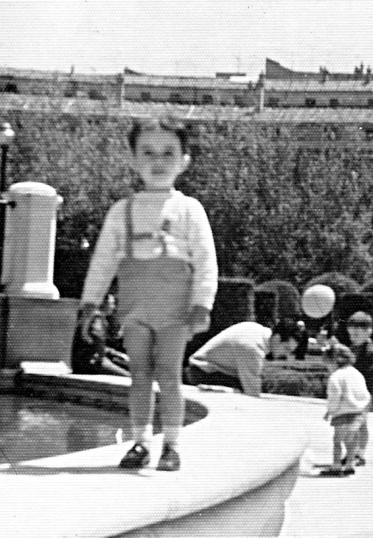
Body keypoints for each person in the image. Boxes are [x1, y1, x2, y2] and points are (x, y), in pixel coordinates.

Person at [78, 116, 218, 472]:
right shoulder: (121, 211)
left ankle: (171, 443)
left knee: (169, 375)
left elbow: (205, 261)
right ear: (133, 159)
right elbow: (103, 261)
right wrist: (90, 303)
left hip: (175, 310)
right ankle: (141, 442)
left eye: (168, 152)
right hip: (135, 309)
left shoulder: (189, 209)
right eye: (148, 152)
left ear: (184, 160)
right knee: (139, 375)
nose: (158, 161)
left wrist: (202, 304)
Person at [184, 319, 305, 397]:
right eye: (287, 349)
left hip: (201, 369)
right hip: (201, 373)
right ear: (278, 338)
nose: (286, 355)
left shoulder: (256, 328)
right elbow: (253, 395)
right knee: (244, 394)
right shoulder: (254, 349)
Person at [321, 344, 371, 477]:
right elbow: (365, 394)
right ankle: (349, 465)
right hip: (357, 413)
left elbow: (334, 396)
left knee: (337, 441)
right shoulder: (357, 373)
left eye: (328, 364)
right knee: (351, 440)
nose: (327, 368)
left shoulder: (336, 376)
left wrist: (330, 410)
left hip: (341, 414)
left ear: (335, 361)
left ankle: (336, 466)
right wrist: (361, 408)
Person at [345, 311, 373, 466]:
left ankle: (360, 454)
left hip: (363, 395)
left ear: (369, 332)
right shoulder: (352, 348)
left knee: (360, 423)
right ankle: (353, 453)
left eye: (357, 334)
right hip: (352, 394)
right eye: (352, 334)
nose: (354, 337)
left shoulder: (370, 353)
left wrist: (368, 399)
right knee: (353, 424)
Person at [71, 312, 131, 377]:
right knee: (127, 374)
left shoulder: (94, 318)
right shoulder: (96, 319)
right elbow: (99, 353)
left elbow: (97, 346)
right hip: (90, 363)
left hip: (90, 360)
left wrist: (116, 354)